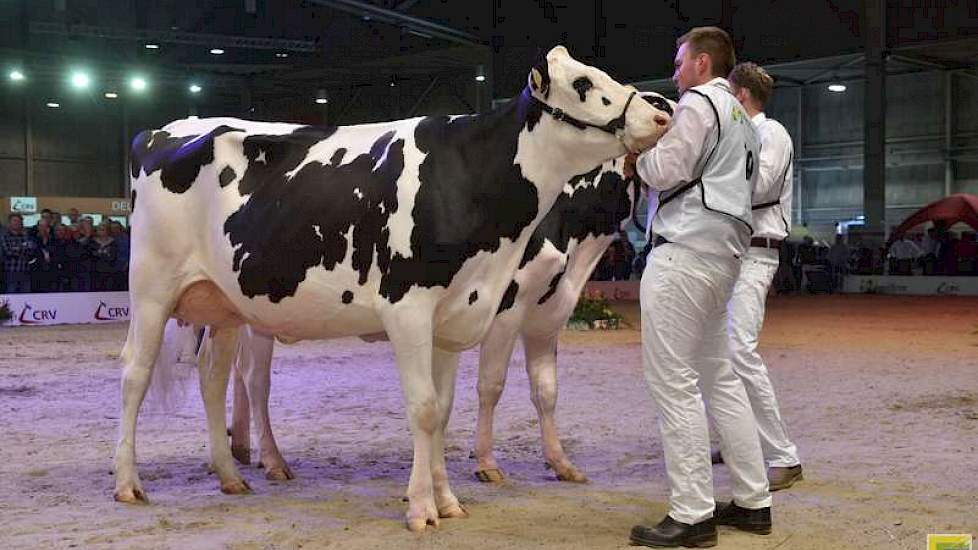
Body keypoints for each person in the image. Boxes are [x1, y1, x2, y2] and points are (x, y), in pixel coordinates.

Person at [625, 26, 771, 548]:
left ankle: (692, 514)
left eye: (681, 60)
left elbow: (669, 168)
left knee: (674, 383)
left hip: (685, 249)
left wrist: (639, 158)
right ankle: (754, 501)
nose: (676, 70)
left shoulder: (696, 103)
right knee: (720, 379)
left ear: (703, 64)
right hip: (727, 251)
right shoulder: (744, 118)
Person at [712, 61, 803, 491]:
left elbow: (761, 186)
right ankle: (735, 439)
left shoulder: (771, 133)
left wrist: (708, 176)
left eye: (729, 93)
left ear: (741, 95)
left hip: (756, 254)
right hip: (731, 253)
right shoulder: (743, 134)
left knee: (740, 350)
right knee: (714, 350)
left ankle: (784, 456)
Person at [2, 213, 38, 293]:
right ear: (9, 223)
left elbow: (31, 251)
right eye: (14, 220)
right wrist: (24, 248)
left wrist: (17, 248)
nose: (17, 223)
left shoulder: (26, 236)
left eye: (19, 221)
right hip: (11, 272)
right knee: (10, 296)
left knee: (26, 297)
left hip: (25, 272)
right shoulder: (4, 236)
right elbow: (8, 252)